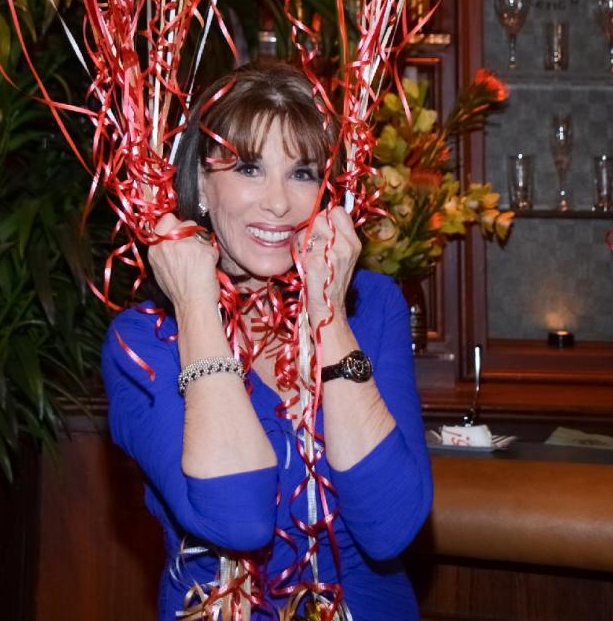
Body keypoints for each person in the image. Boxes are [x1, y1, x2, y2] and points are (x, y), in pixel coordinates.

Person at [102, 61, 433, 620]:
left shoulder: (371, 307)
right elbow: (238, 519)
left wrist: (327, 312)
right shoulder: (144, 342)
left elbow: (389, 527)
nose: (279, 203)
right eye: (250, 168)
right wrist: (197, 307)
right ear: (202, 185)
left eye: (302, 173)